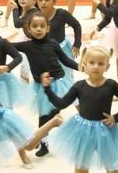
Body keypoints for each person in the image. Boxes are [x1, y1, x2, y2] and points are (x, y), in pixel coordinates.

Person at [42, 46, 118, 173]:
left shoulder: (111, 85)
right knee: (81, 169)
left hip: (105, 131)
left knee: (113, 169)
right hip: (82, 130)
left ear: (107, 66)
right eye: (91, 62)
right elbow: (62, 104)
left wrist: (117, 117)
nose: (95, 66)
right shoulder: (79, 86)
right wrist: (48, 89)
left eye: (100, 63)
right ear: (84, 64)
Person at [12, 10, 79, 158]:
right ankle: (44, 143)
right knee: (43, 116)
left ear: (48, 28)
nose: (38, 29)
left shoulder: (53, 44)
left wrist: (79, 66)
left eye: (42, 26)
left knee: (54, 112)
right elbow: (8, 46)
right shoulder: (27, 46)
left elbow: (65, 60)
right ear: (28, 29)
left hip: (58, 83)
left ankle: (70, 134)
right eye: (34, 26)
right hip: (41, 87)